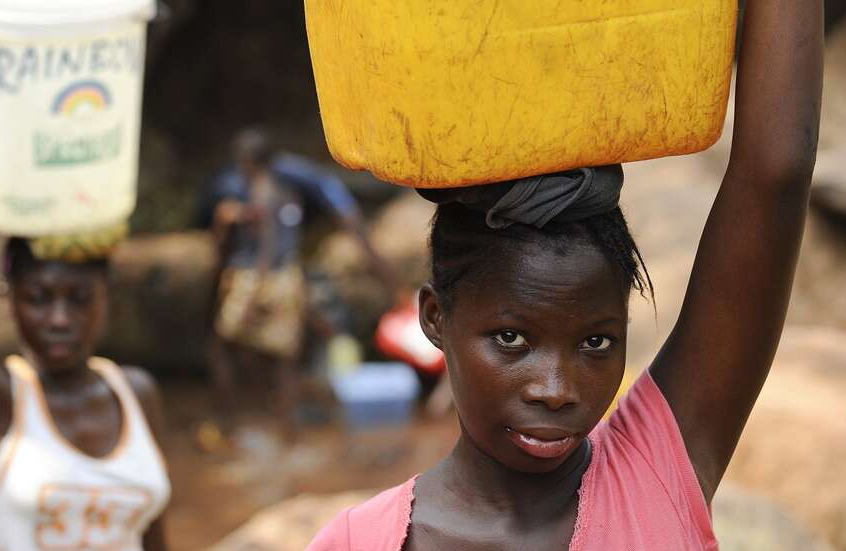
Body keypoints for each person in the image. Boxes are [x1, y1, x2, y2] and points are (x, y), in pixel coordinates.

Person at [308, 0, 823, 549]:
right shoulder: (356, 542)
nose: (557, 390)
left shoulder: (657, 468)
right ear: (435, 318)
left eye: (597, 342)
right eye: (512, 339)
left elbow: (777, 173)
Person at [0, 14, 170, 551]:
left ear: (107, 299)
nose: (59, 318)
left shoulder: (137, 396)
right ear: (10, 300)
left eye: (79, 299)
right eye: (39, 298)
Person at [201, 128, 399, 437]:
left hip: (261, 278)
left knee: (223, 346)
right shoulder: (281, 190)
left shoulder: (266, 187)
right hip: (289, 277)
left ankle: (228, 425)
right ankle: (289, 429)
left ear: (247, 161)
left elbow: (266, 245)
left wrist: (255, 291)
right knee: (285, 356)